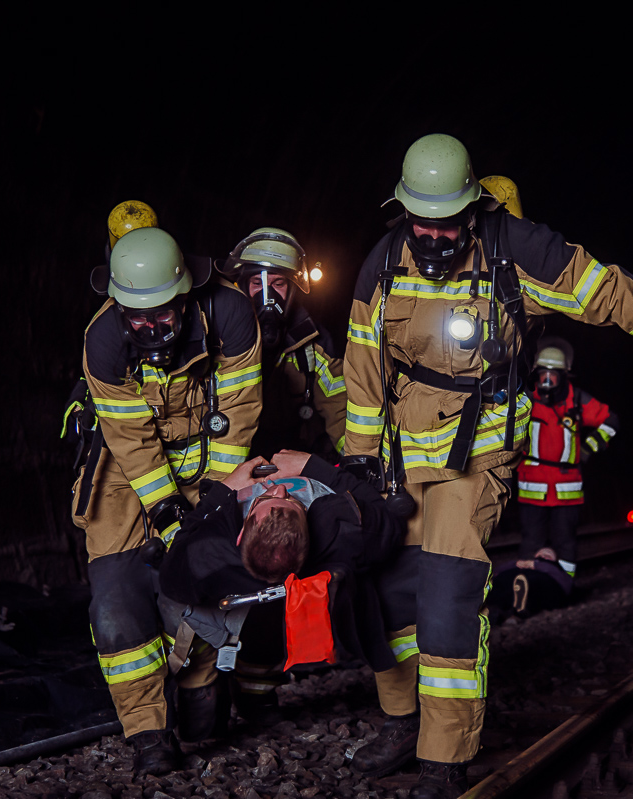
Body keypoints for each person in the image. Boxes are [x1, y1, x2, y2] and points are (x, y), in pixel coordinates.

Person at [341, 133, 633, 798]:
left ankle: (442, 754)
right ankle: (402, 721)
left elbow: (622, 297)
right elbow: (363, 373)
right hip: (399, 460)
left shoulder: (518, 249)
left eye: (445, 222)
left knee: (449, 592)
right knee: (389, 590)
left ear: (471, 209)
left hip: (475, 454)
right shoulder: (383, 262)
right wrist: (361, 466)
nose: (431, 236)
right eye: (419, 220)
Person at [72, 226, 262, 773]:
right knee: (115, 600)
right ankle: (148, 732)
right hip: (122, 469)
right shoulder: (104, 340)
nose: (153, 328)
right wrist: (163, 507)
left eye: (164, 314)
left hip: (208, 458)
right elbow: (131, 439)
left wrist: (217, 504)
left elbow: (240, 412)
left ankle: (202, 687)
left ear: (184, 296)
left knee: (204, 573)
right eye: (139, 317)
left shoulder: (228, 314)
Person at [155, 450, 407, 743]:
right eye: (287, 501)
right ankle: (225, 693)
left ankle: (240, 695)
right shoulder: (347, 531)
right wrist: (312, 466)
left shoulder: (208, 551)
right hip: (254, 616)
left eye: (271, 500)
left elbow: (175, 565)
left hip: (241, 612)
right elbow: (386, 518)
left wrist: (223, 490)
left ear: (239, 537)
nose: (280, 488)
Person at [495, 339, 618, 617]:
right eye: (542, 375)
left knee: (565, 542)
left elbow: (611, 421)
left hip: (567, 486)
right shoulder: (526, 399)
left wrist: (588, 448)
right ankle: (526, 592)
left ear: (564, 376)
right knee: (531, 540)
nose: (547, 381)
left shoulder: (577, 399)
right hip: (532, 484)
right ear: (536, 374)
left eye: (553, 375)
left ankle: (563, 589)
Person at [220, 228, 346, 461]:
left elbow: (341, 413)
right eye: (257, 282)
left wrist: (360, 463)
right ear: (242, 287)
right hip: (234, 460)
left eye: (278, 283)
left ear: (292, 291)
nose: (268, 296)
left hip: (292, 457)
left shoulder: (313, 347)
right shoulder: (219, 343)